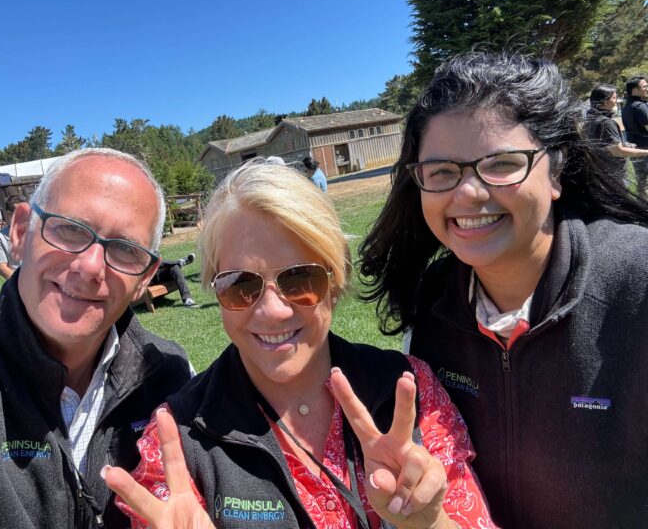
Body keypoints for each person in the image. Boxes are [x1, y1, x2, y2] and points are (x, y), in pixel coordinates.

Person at [103, 161, 497, 529]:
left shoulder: (410, 390)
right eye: (240, 284)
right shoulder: (175, 443)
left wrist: (429, 522)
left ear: (336, 282)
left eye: (300, 279)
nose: (272, 311)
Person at [359, 52, 648, 529]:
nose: (468, 193)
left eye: (501, 164)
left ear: (556, 172)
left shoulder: (637, 284)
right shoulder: (433, 304)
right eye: (443, 172)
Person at [0, 148, 193, 528]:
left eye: (125, 250)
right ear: (21, 232)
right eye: (70, 229)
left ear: (145, 274)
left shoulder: (171, 378)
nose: (90, 266)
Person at [582, 84, 648, 184]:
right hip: (613, 176)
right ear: (604, 101)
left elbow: (604, 146)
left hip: (598, 174)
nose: (616, 101)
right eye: (614, 98)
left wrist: (625, 144)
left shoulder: (589, 120)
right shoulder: (606, 122)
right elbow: (617, 151)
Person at [622, 76, 648, 195]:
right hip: (646, 149)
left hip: (635, 149)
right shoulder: (640, 106)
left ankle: (642, 205)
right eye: (645, 87)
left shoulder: (626, 108)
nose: (647, 89)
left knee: (642, 183)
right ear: (635, 91)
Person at [0, 193, 27, 279]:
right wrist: (22, 282)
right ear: (10, 215)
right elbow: (2, 267)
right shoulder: (0, 236)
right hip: (19, 282)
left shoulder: (37, 230)